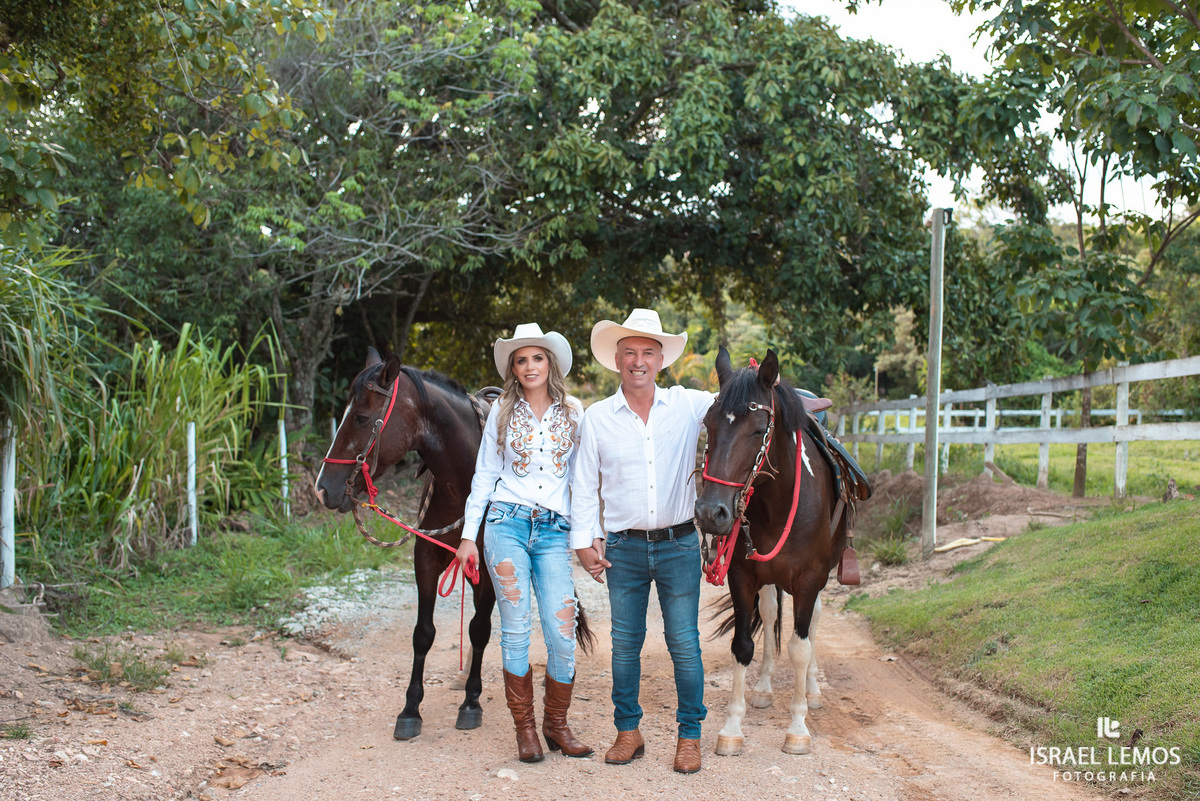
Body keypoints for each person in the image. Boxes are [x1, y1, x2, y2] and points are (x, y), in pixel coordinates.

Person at [570, 308, 715, 774]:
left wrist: (776, 388)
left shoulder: (689, 405)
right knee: (625, 643)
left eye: (647, 352)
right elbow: (583, 483)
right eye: (629, 352)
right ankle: (627, 731)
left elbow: (741, 401)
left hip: (678, 545)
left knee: (684, 643)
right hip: (624, 548)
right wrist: (584, 541)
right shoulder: (597, 418)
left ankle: (689, 735)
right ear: (616, 359)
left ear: (661, 360)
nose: (638, 361)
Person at [456, 323, 591, 764]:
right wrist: (466, 538)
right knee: (516, 631)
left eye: (537, 357)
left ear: (549, 363)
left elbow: (582, 482)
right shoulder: (501, 412)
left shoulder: (574, 411)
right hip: (506, 525)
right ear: (513, 369)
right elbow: (484, 475)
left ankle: (557, 724)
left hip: (554, 531)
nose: (530, 366)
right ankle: (526, 730)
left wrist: (589, 538)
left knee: (562, 631)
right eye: (521, 360)